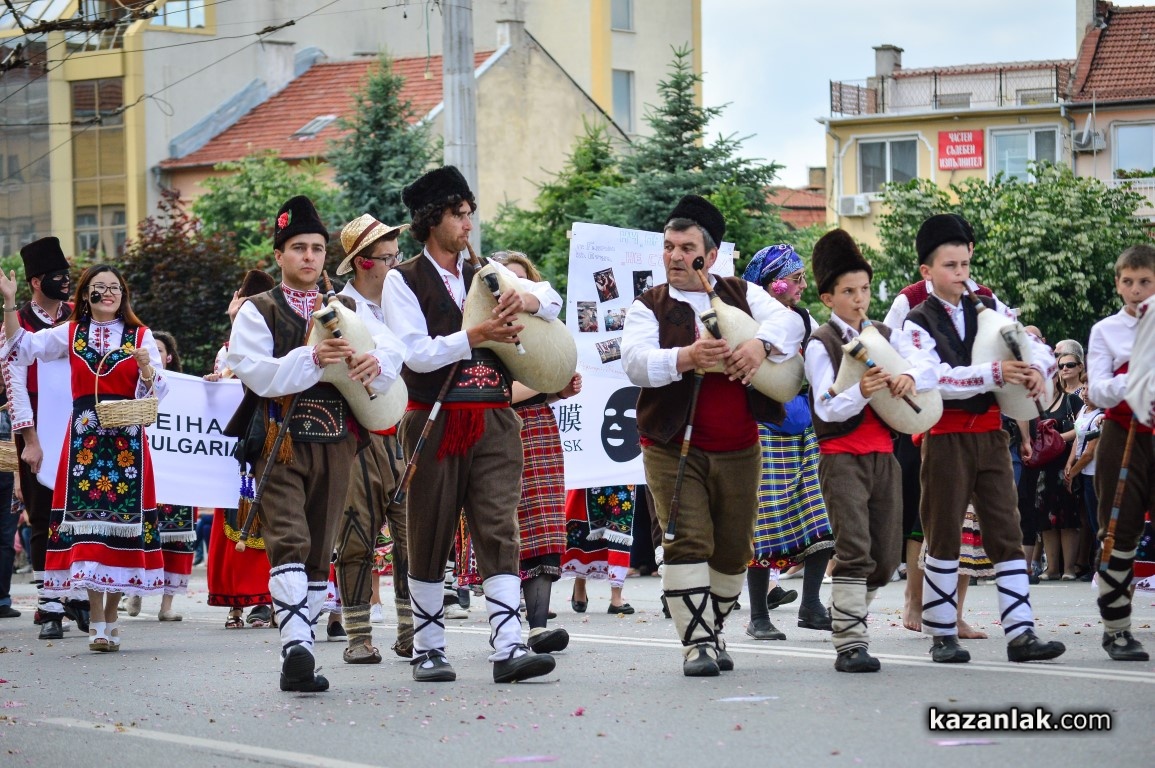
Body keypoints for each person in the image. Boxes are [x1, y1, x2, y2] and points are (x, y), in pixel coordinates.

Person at [382, 165, 561, 684]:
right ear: (432, 218)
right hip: (434, 419)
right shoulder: (402, 279)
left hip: (495, 418)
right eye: (459, 214)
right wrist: (477, 333)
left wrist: (528, 299)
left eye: (469, 214)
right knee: (430, 531)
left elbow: (552, 298)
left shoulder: (487, 271)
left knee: (499, 528)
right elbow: (416, 354)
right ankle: (428, 648)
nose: (468, 224)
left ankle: (508, 646)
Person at [224, 195, 406, 692]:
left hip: (336, 439)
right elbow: (254, 370)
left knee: (321, 544)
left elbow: (393, 347)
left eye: (317, 248)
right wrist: (311, 358)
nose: (309, 256)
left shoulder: (348, 307)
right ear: (279, 255)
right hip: (279, 439)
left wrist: (376, 363)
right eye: (298, 248)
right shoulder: (259, 309)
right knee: (290, 538)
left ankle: (299, 649)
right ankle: (297, 648)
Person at [622, 194, 804, 676]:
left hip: (740, 445)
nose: (675, 257)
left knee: (733, 551)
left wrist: (760, 345)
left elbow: (791, 321)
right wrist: (686, 358)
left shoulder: (742, 293)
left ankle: (711, 628)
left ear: (711, 255)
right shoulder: (649, 305)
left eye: (687, 248)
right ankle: (698, 644)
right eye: (669, 247)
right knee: (688, 541)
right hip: (672, 445)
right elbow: (634, 361)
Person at [902, 213, 1065, 664]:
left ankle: (1021, 632)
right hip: (946, 437)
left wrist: (1037, 371)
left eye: (964, 264)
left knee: (1006, 530)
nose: (961, 274)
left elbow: (1034, 346)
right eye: (950, 266)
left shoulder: (990, 308)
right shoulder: (917, 321)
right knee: (943, 532)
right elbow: (932, 377)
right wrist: (994, 372)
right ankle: (942, 633)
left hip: (992, 435)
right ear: (927, 271)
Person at [1, 264, 169, 652]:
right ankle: (96, 619)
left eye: (114, 287)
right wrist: (9, 304)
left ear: (123, 295)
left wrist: (146, 367)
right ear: (85, 295)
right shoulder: (71, 332)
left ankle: (111, 616)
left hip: (127, 445)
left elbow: (158, 392)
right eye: (99, 287)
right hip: (85, 444)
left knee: (122, 531)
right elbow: (21, 348)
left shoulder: (140, 335)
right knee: (89, 531)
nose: (107, 293)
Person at [804, 229, 935, 672]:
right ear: (828, 297)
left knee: (885, 556)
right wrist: (861, 390)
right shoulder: (821, 342)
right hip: (841, 456)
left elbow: (922, 364)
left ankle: (847, 613)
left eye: (863, 289)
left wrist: (908, 377)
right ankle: (850, 643)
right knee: (855, 549)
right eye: (848, 291)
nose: (859, 299)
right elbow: (825, 405)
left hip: (884, 456)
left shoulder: (884, 334)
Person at [882, 215, 1005, 633]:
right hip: (927, 420)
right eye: (952, 255)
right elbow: (892, 350)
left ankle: (953, 612)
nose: (962, 262)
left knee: (968, 521)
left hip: (981, 424)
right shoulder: (912, 300)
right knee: (931, 517)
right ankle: (915, 603)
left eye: (966, 251)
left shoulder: (985, 299)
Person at [329, 213, 414, 664]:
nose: (396, 265)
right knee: (357, 533)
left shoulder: (405, 303)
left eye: (397, 256)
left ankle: (412, 631)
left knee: (414, 536)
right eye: (387, 258)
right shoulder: (338, 309)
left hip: (407, 432)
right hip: (358, 434)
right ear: (363, 262)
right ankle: (358, 636)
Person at [739, 243, 834, 641]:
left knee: (820, 514)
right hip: (764, 428)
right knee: (763, 522)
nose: (803, 285)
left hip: (805, 428)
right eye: (795, 278)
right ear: (771, 285)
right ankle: (759, 615)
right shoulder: (747, 325)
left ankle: (811, 604)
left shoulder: (806, 320)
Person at [494, 250, 581, 653]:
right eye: (508, 280)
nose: (517, 287)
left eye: (523, 279)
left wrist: (559, 389)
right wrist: (548, 383)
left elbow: (538, 385)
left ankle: (538, 628)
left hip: (539, 429)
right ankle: (505, 628)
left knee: (544, 527)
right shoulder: (484, 328)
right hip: (498, 430)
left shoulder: (540, 324)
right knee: (504, 529)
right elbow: (500, 393)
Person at [0, 237, 86, 638]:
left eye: (68, 274)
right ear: (36, 281)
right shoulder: (16, 323)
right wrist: (30, 440)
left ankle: (79, 596)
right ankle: (49, 605)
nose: (66, 281)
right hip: (36, 427)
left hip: (79, 426)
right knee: (43, 515)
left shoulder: (79, 317)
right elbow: (14, 383)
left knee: (81, 512)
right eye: (57, 275)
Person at [1087, 244, 1155, 661]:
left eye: (1145, 281)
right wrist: (1133, 381)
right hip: (1123, 432)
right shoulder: (1105, 330)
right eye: (1128, 282)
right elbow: (1096, 388)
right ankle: (1116, 630)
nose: (1136, 290)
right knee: (1118, 529)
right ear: (1117, 284)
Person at [205, 270, 276, 630]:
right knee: (236, 516)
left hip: (274, 439)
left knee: (274, 516)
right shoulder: (226, 351)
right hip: (238, 451)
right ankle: (236, 600)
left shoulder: (283, 339)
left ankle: (266, 599)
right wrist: (215, 383)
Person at [125, 330, 194, 621]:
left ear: (168, 357)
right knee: (142, 533)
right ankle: (135, 590)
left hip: (177, 476)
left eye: (160, 350)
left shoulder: (187, 388)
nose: (154, 354)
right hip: (146, 471)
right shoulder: (134, 385)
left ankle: (167, 606)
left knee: (177, 540)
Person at [1035, 344, 1085, 580]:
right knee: (1046, 518)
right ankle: (1052, 568)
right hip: (1043, 466)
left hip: (1066, 462)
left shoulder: (1071, 401)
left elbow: (1082, 428)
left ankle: (1069, 568)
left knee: (1068, 517)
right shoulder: (1038, 404)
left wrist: (1057, 439)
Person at [1066, 385, 1104, 579]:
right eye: (1085, 388)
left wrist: (1072, 473)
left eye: (1091, 388)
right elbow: (1077, 438)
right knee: (1089, 520)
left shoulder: (1100, 417)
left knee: (1098, 522)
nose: (1086, 393)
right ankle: (1096, 566)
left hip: (1096, 474)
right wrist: (1069, 462)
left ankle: (1101, 568)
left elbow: (1090, 453)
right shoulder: (1083, 409)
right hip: (1083, 472)